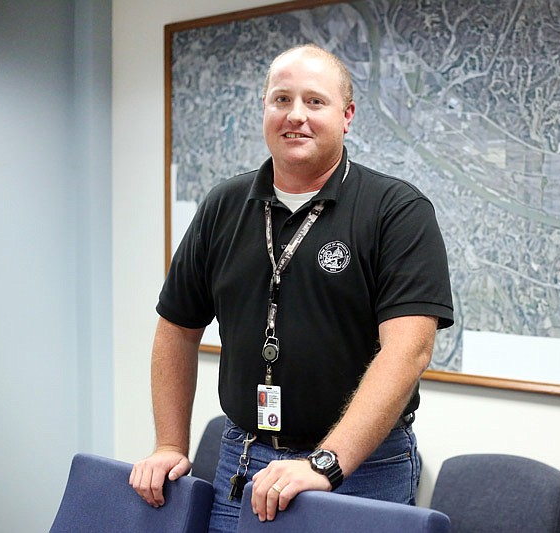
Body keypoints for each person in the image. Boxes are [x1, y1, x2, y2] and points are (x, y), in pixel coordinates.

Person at [129, 43, 453, 532]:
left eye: (315, 102)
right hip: (243, 462)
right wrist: (170, 444)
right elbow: (176, 328)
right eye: (281, 100)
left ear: (347, 116)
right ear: (265, 109)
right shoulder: (224, 206)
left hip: (360, 470)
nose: (295, 115)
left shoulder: (397, 210)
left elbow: (408, 350)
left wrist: (327, 462)